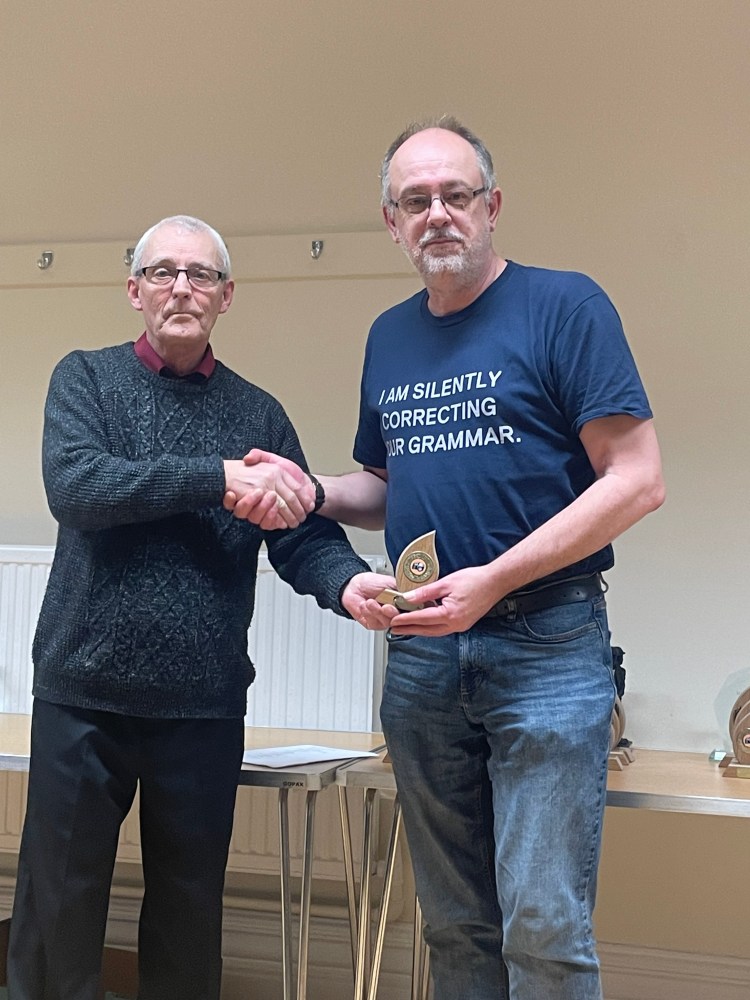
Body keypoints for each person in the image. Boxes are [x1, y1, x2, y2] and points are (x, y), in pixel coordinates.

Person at [228, 118, 665, 1000]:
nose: (437, 214)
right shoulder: (390, 336)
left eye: (455, 195)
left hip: (548, 645)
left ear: (491, 206)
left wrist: (494, 581)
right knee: (455, 925)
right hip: (424, 656)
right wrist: (311, 489)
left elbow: (637, 479)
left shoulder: (565, 307)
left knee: (543, 925)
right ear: (391, 223)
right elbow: (388, 488)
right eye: (415, 200)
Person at [7, 214, 395, 1000]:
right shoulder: (85, 380)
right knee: (57, 917)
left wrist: (347, 583)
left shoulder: (259, 414)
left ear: (226, 296)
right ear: (134, 290)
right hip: (83, 696)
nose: (181, 288)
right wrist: (218, 477)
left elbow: (300, 535)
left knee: (188, 922)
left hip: (202, 704)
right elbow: (78, 487)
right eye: (163, 272)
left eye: (201, 275)